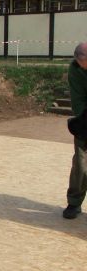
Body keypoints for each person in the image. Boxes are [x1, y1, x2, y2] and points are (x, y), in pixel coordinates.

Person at [64, 42, 87, 219]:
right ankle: (74, 202)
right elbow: (77, 99)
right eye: (82, 64)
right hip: (85, 120)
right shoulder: (74, 70)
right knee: (80, 165)